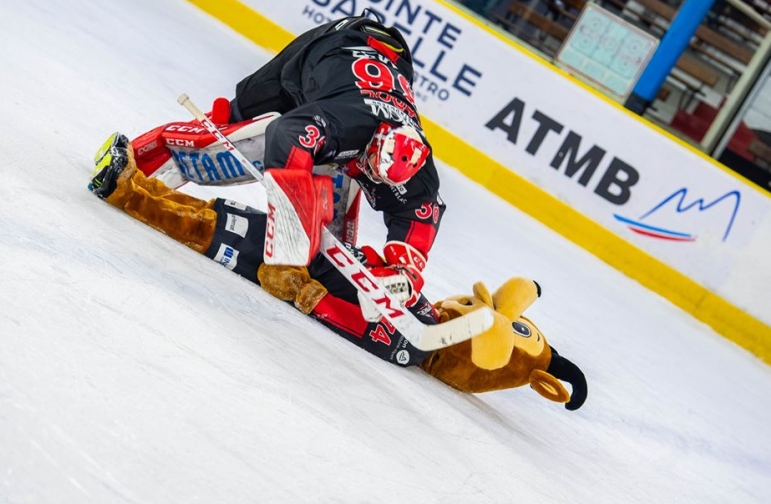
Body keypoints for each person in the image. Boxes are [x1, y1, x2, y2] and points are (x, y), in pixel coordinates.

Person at [86, 134, 588, 412]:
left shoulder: (411, 344)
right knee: (226, 215)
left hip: (293, 271)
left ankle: (124, 191)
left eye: (473, 319)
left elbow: (356, 323)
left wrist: (309, 296)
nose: (461, 306)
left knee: (214, 231)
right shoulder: (425, 314)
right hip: (313, 249)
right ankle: (140, 185)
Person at [104, 9, 444, 318]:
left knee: (336, 191)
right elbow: (287, 131)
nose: (370, 175)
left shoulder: (418, 163)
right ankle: (139, 153)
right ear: (376, 140)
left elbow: (423, 207)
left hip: (390, 66)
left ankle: (319, 227)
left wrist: (405, 269)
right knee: (237, 124)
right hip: (326, 47)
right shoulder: (347, 120)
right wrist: (295, 224)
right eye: (370, 163)